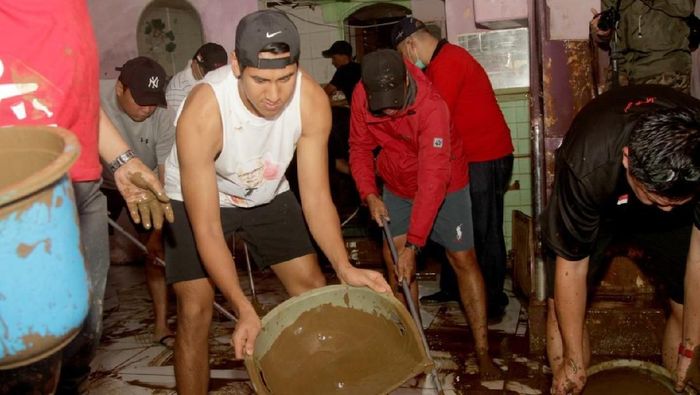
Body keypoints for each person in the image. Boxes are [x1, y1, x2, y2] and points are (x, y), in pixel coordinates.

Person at [162, 10, 391, 394]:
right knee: (195, 309)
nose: (274, 95)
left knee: (314, 290)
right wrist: (243, 307)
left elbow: (317, 196)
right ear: (237, 64)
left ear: (297, 67)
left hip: (266, 190)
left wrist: (343, 264)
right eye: (260, 80)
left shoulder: (311, 101)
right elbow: (207, 227)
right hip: (196, 198)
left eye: (285, 79)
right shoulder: (203, 111)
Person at [0, 1, 173, 394]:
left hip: (79, 191)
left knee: (77, 341)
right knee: (19, 355)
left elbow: (74, 96)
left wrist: (123, 161)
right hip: (12, 198)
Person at [348, 49, 500, 379]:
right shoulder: (363, 94)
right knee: (395, 261)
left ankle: (483, 351)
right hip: (397, 182)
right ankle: (412, 346)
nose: (387, 108)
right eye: (380, 101)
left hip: (446, 183)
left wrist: (415, 245)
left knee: (463, 259)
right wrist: (369, 192)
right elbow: (359, 147)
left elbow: (433, 180)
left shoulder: (433, 106)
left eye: (394, 100)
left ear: (407, 81)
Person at [541, 84, 700, 394]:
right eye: (657, 200)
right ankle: (571, 379)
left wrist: (691, 351)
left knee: (687, 305)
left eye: (673, 203)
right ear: (628, 159)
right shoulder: (585, 164)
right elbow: (571, 268)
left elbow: (699, 257)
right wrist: (572, 361)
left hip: (674, 201)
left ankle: (681, 386)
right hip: (600, 200)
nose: (666, 209)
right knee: (558, 310)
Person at [392, 16, 515, 321]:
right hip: (464, 159)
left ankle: (493, 300)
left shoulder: (448, 62)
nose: (405, 62)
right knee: (454, 224)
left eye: (402, 55)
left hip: (486, 156)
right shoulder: (437, 64)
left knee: (484, 231)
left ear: (411, 44)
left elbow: (431, 119)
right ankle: (453, 287)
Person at [100, 56, 177, 348]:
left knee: (158, 254)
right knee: (82, 253)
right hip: (101, 183)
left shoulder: (161, 117)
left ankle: (161, 326)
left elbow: (164, 175)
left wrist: (157, 234)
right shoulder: (95, 102)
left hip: (144, 184)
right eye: (141, 99)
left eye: (153, 101)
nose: (148, 108)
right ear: (120, 88)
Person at [591, 0, 694, 93]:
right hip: (621, 73)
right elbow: (606, 31)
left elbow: (685, 6)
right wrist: (602, 32)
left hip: (663, 71)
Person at [166, 42, 228, 111]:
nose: (214, 77)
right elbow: (177, 121)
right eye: (209, 73)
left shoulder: (224, 80)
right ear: (194, 63)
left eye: (219, 72)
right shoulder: (177, 90)